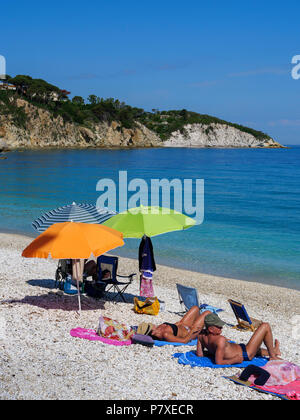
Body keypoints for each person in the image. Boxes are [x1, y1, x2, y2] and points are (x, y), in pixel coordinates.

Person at [196, 313, 281, 365]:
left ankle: (274, 351)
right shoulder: (220, 340)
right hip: (245, 354)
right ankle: (272, 356)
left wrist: (214, 352)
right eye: (219, 327)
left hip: (241, 349)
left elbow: (200, 354)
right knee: (265, 326)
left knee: (257, 350)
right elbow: (219, 362)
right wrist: (234, 360)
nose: (221, 328)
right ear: (210, 329)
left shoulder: (201, 335)